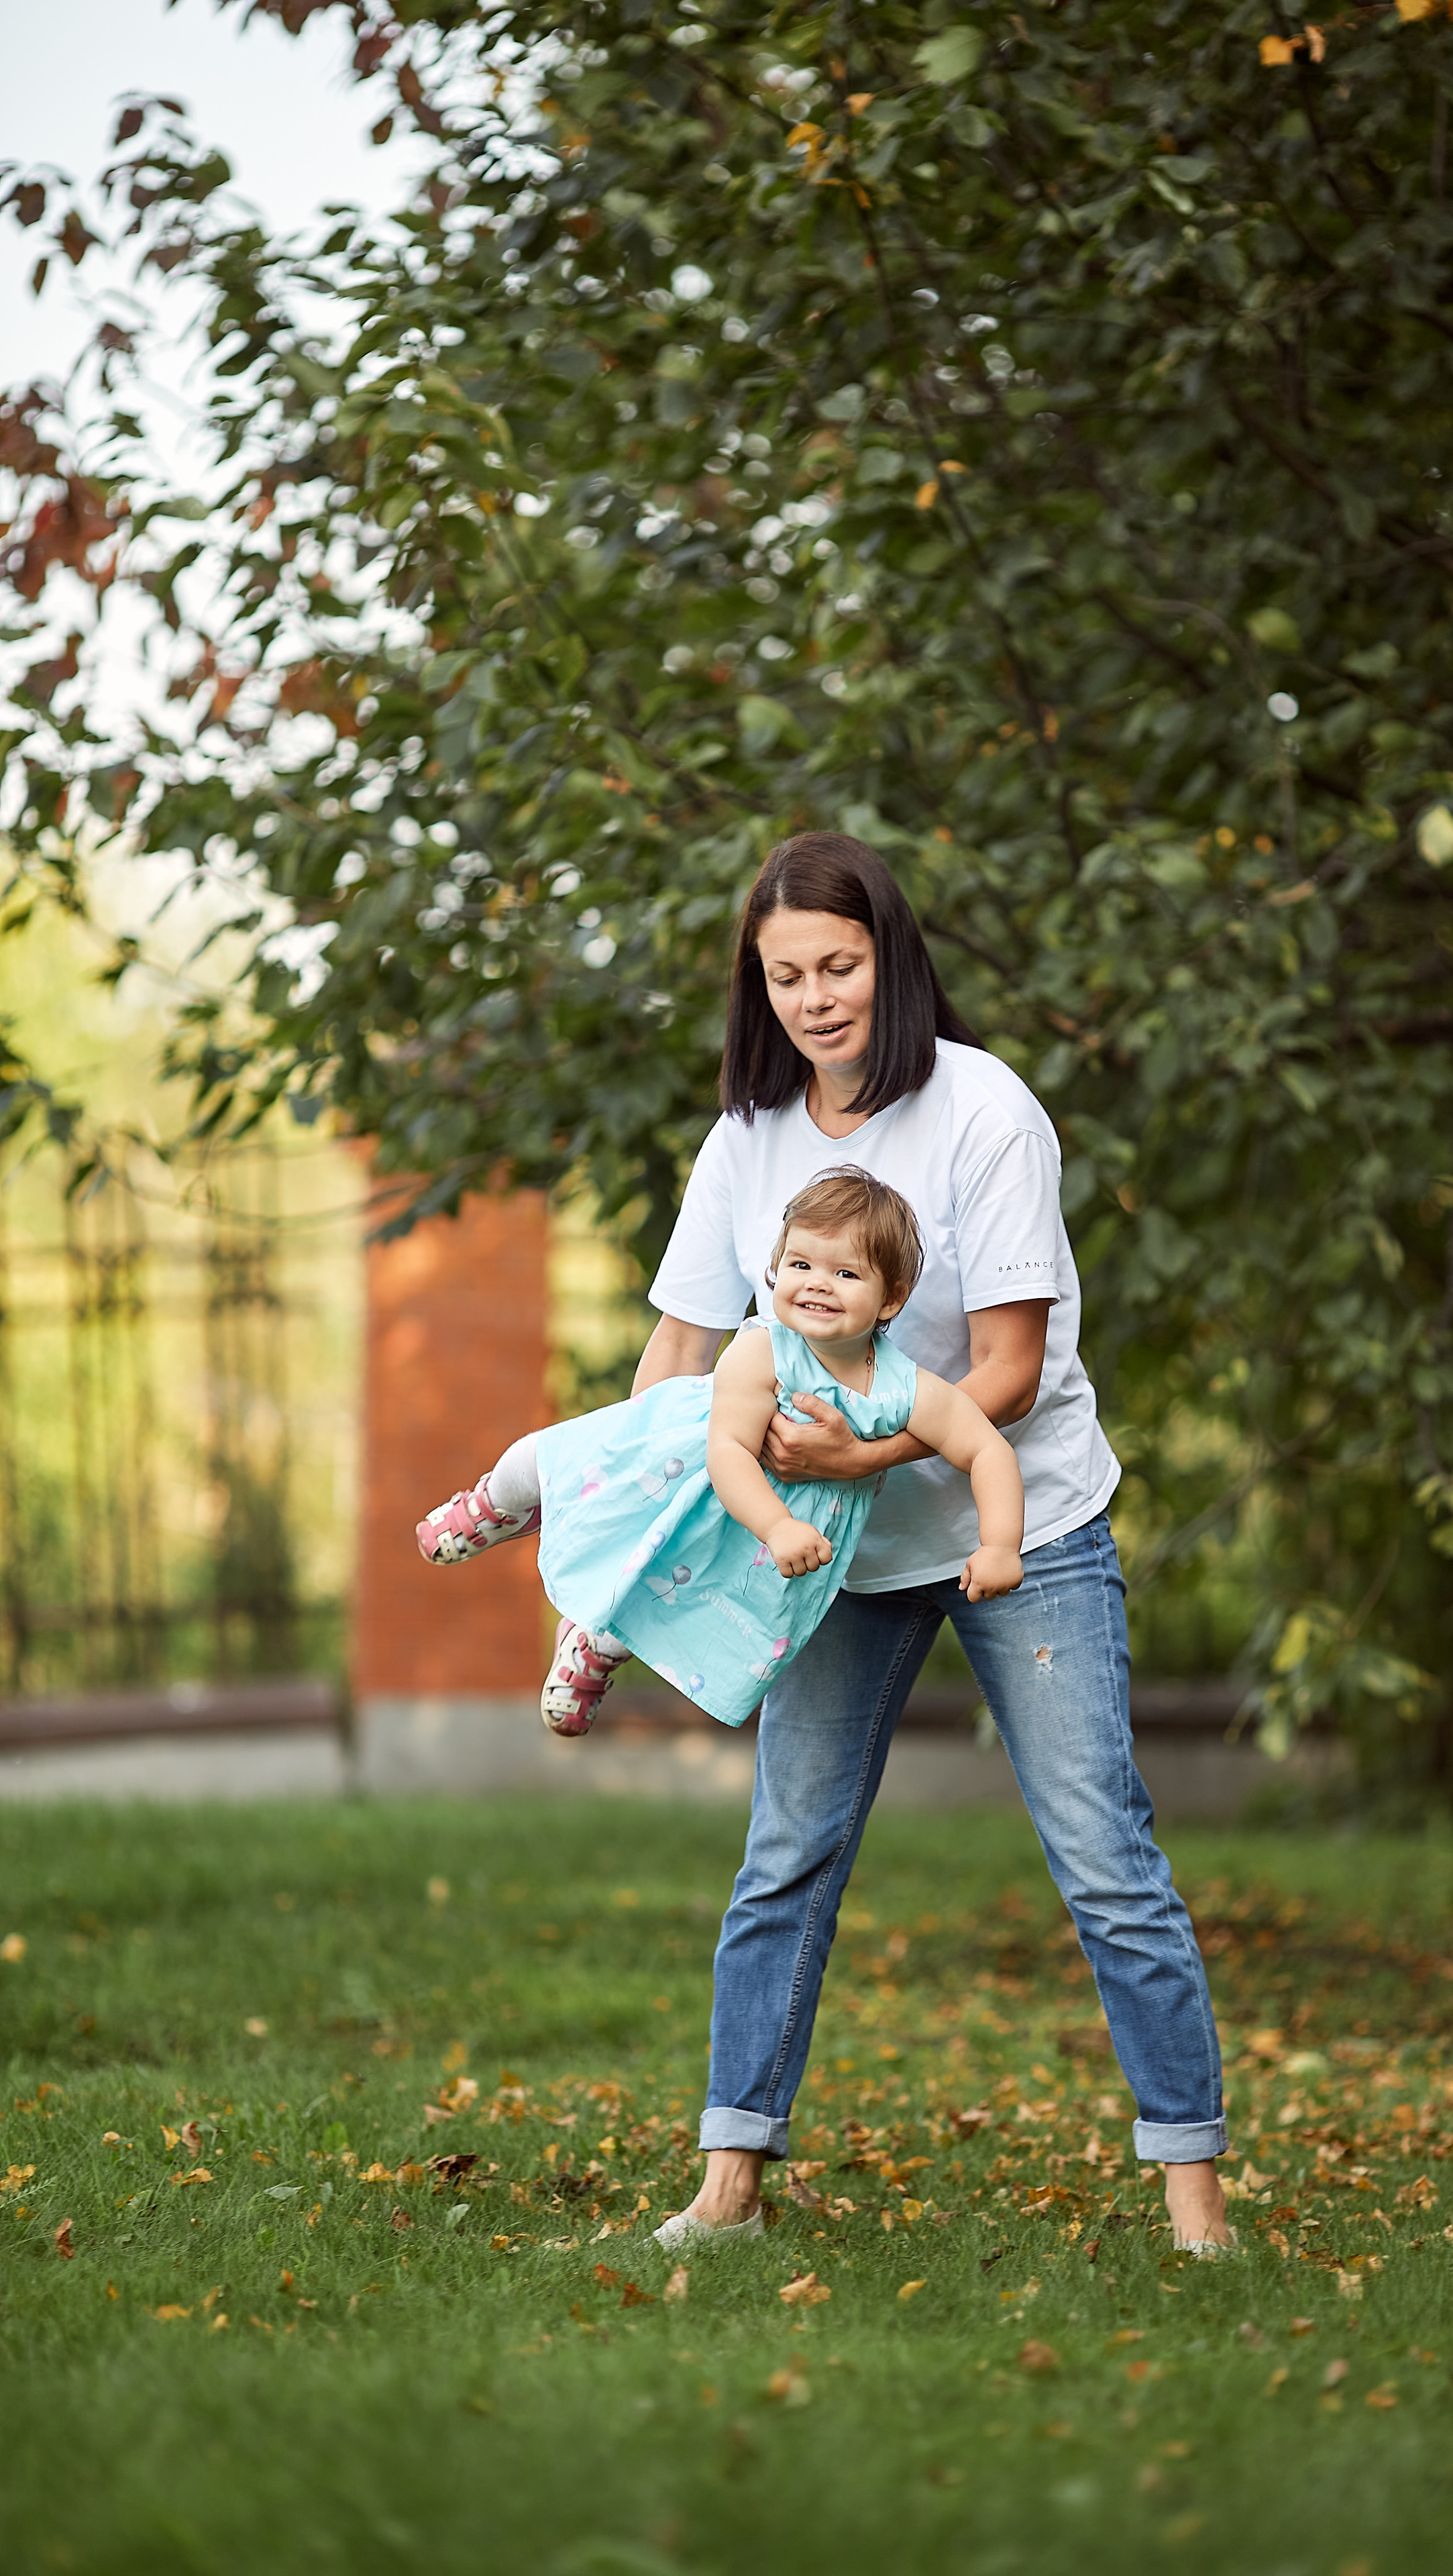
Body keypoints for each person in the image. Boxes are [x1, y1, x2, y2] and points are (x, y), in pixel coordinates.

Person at [641, 832, 1234, 2259]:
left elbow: (1008, 1368)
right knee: (786, 1849)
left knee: (1099, 1851)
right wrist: (625, 1512)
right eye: (782, 975)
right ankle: (727, 2180)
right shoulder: (749, 1137)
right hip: (830, 1550)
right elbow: (679, 1344)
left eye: (836, 966)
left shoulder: (983, 1111)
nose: (812, 999)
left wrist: (860, 1451)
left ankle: (1193, 2193)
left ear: (888, 956)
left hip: (1016, 1523)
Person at [415, 1168, 1026, 1733]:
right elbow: (730, 1452)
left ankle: (593, 1644)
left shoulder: (901, 1386)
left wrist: (999, 1545)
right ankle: (495, 1503)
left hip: (750, 1536)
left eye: (846, 1274)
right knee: (551, 1459)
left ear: (890, 1299)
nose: (817, 1283)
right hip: (682, 1469)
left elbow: (985, 1449)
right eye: (801, 1263)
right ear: (775, 1269)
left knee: (676, 1589)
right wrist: (780, 1525)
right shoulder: (763, 1349)